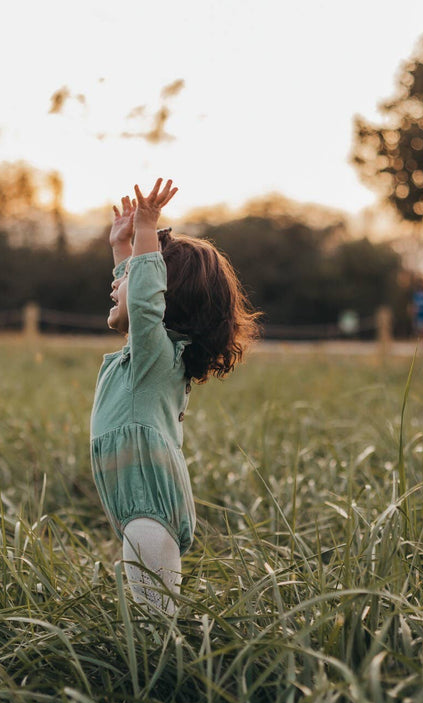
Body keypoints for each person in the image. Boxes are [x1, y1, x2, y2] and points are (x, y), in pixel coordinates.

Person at [90, 178, 260, 614]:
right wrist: (122, 247)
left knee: (154, 629)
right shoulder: (150, 356)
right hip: (142, 512)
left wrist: (146, 230)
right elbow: (138, 296)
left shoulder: (154, 356)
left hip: (149, 517)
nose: (116, 283)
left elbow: (143, 301)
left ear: (162, 296)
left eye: (128, 275)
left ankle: (165, 677)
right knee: (153, 619)